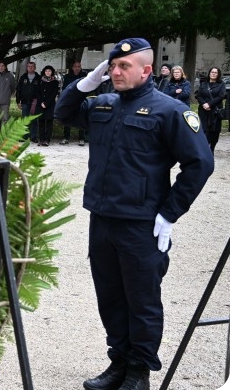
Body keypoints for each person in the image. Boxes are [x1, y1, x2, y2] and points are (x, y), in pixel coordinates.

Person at [54, 38, 214, 390]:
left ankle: (139, 372)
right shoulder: (104, 105)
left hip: (142, 224)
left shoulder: (169, 110)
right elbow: (63, 113)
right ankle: (119, 362)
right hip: (103, 218)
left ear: (146, 70)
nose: (115, 71)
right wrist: (85, 83)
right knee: (110, 296)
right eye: (112, 66)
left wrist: (170, 213)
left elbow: (200, 163)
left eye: (124, 66)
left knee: (141, 299)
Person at [196, 67, 226, 153]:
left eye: (216, 72)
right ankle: (204, 149)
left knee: (214, 132)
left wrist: (209, 104)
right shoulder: (203, 84)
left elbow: (221, 96)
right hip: (203, 111)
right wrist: (204, 104)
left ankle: (212, 147)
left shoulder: (221, 84)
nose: (213, 74)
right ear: (209, 73)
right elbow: (199, 96)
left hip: (215, 111)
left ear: (218, 74)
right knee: (204, 130)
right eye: (212, 72)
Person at [60, 61, 87, 145]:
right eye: (75, 66)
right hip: (70, 99)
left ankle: (81, 138)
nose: (77, 68)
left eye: (78, 66)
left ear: (80, 67)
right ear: (72, 68)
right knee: (68, 118)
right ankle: (66, 137)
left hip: (81, 99)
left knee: (81, 118)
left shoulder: (84, 76)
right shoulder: (67, 77)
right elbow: (65, 88)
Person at [16, 61, 40, 141]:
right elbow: (18, 89)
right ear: (27, 67)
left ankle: (33, 137)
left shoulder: (38, 78)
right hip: (25, 101)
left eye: (32, 66)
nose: (30, 68)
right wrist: (18, 101)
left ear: (35, 67)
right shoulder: (23, 77)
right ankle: (24, 136)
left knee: (33, 119)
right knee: (24, 119)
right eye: (29, 66)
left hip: (35, 102)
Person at [36, 65, 59, 146]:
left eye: (49, 71)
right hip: (40, 104)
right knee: (41, 122)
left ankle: (47, 139)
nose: (47, 72)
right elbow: (37, 93)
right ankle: (41, 139)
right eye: (46, 71)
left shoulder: (55, 82)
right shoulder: (40, 81)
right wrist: (41, 102)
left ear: (52, 72)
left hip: (50, 104)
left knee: (49, 122)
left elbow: (54, 94)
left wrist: (46, 103)